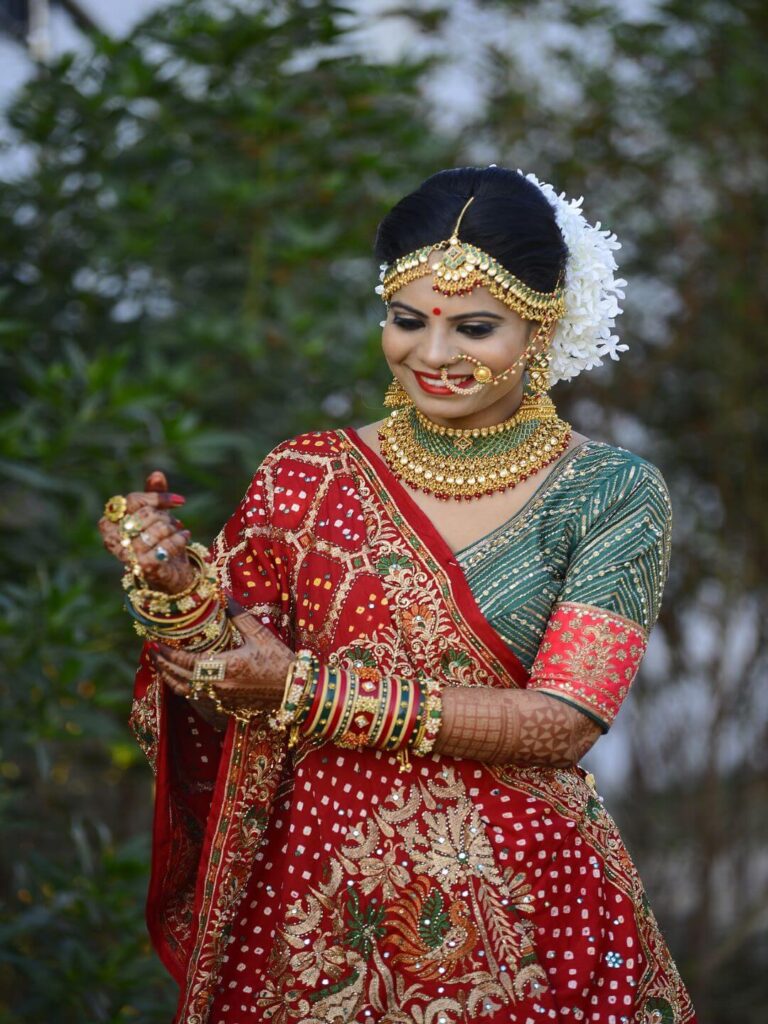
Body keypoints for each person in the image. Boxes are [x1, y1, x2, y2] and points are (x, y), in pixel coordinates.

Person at [99, 166, 697, 1024]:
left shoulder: (608, 492)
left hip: (527, 911)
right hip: (317, 904)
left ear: (543, 324)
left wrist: (306, 689)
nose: (434, 355)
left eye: (475, 329)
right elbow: (219, 676)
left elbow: (563, 721)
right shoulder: (305, 475)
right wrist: (171, 583)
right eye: (407, 321)